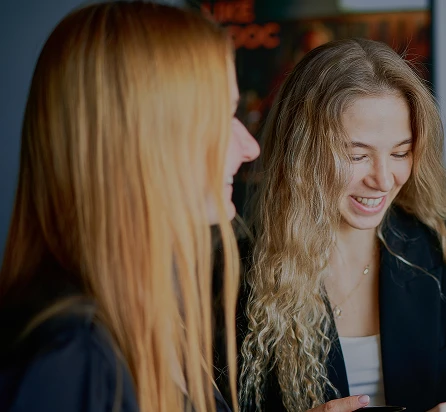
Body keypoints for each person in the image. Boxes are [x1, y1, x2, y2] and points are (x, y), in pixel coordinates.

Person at [217, 38, 446, 412]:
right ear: (301, 152)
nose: (383, 179)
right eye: (356, 155)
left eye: (400, 153)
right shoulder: (236, 272)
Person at [0, 2, 261, 411]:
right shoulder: (69, 358)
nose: (250, 146)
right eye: (221, 117)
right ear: (140, 143)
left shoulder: (138, 314)